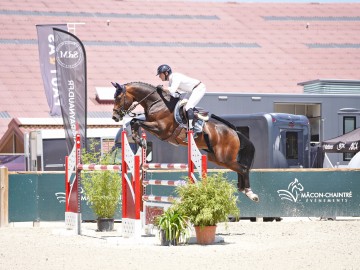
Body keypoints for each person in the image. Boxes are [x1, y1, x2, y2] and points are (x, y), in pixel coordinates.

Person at [156, 64, 206, 140]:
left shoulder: (175, 77)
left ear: (166, 73)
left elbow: (172, 90)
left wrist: (162, 88)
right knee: (182, 105)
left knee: (188, 107)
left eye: (160, 74)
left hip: (198, 88)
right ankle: (193, 123)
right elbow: (174, 95)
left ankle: (193, 129)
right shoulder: (171, 81)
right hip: (191, 91)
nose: (159, 76)